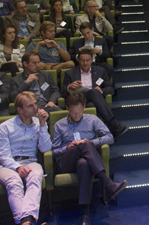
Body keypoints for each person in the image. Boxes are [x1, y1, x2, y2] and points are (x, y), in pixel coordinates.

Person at [51, 93, 127, 224]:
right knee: (84, 145)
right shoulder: (59, 125)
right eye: (74, 112)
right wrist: (68, 148)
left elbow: (109, 137)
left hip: (86, 160)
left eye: (79, 112)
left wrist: (92, 142)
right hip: (66, 161)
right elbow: (54, 151)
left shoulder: (92, 119)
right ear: (67, 108)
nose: (77, 115)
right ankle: (108, 183)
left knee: (84, 163)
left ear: (84, 107)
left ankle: (85, 214)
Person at [0, 92, 50, 225]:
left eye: (35, 104)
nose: (35, 108)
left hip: (30, 161)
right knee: (14, 181)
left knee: (36, 176)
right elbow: (3, 155)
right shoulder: (5, 127)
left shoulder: (38, 123)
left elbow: (45, 148)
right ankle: (27, 220)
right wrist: (17, 167)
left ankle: (25, 222)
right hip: (6, 165)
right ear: (19, 110)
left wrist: (43, 125)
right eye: (30, 106)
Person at [62, 49, 127, 138]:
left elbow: (110, 89)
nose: (85, 63)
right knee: (93, 92)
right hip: (77, 99)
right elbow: (63, 93)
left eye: (88, 60)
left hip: (93, 100)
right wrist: (69, 87)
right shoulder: (70, 73)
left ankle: (96, 134)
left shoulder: (100, 71)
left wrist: (102, 91)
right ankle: (113, 124)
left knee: (92, 104)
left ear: (92, 60)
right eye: (82, 60)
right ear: (78, 60)